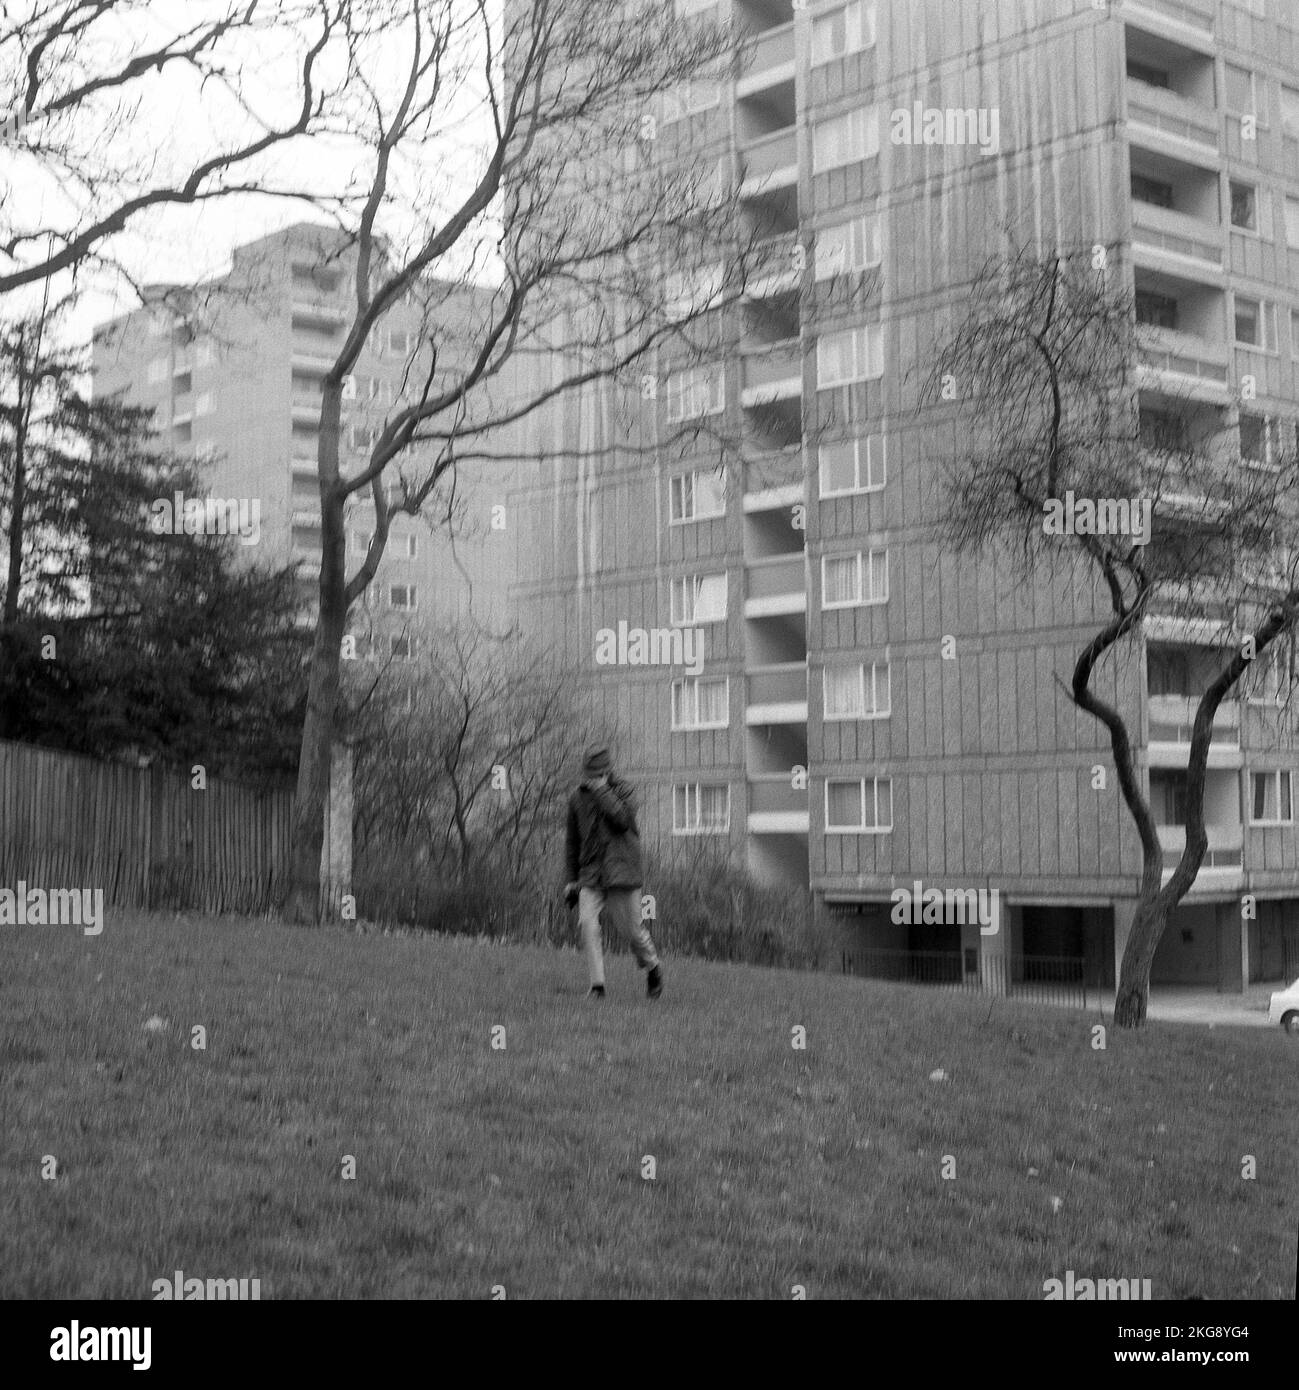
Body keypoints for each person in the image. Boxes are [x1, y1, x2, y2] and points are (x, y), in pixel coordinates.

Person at [563, 746, 663, 1000]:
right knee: (587, 923)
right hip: (591, 873)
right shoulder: (576, 798)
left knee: (632, 932)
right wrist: (570, 880)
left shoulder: (625, 791)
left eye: (596, 774)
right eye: (588, 774)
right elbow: (572, 842)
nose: (590, 779)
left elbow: (621, 820)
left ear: (607, 771)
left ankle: (652, 966)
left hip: (622, 871)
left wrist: (602, 791)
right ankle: (597, 986)